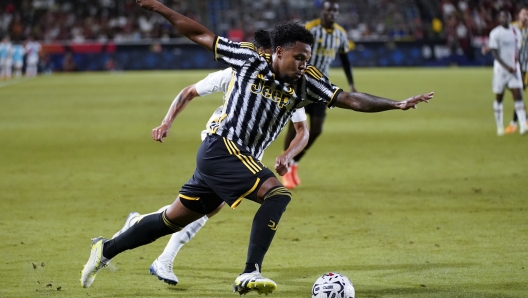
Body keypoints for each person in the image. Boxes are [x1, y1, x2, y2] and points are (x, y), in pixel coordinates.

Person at [80, 0, 433, 295]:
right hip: (221, 146)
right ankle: (250, 271)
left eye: (308, 58)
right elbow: (200, 33)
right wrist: (159, 7)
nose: (304, 64)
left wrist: (396, 104)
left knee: (169, 220)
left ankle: (105, 249)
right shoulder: (249, 58)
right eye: (298, 57)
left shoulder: (306, 83)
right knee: (277, 194)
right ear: (278, 52)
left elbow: (349, 99)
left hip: (234, 159)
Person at [111, 30, 310, 286]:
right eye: (264, 56)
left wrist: (288, 154)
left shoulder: (291, 85)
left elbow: (302, 129)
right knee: (207, 209)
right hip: (219, 149)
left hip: (247, 157)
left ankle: (138, 225)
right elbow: (190, 91)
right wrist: (166, 122)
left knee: (196, 209)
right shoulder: (236, 72)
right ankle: (164, 260)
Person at [282, 0, 356, 189]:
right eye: (328, 10)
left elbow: (345, 58)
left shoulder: (340, 34)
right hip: (300, 83)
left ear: (337, 14)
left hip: (320, 87)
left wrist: (351, 84)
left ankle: (295, 162)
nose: (331, 13)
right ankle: (286, 166)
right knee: (295, 126)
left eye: (334, 11)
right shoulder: (310, 30)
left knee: (316, 129)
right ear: (322, 12)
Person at [487, 10, 527, 136]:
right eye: (503, 16)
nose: (505, 18)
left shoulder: (516, 32)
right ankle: (499, 127)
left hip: (514, 70)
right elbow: (494, 52)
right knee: (499, 97)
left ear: (510, 17)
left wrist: (518, 67)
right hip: (500, 71)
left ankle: (522, 126)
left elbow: (518, 52)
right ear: (499, 19)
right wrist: (505, 66)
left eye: (507, 16)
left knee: (518, 96)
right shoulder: (495, 33)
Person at [505, 7, 528, 134]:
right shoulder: (511, 27)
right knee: (517, 95)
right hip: (515, 67)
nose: (526, 16)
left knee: (519, 94)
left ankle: (515, 123)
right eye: (524, 13)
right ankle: (520, 122)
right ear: (518, 15)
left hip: (527, 67)